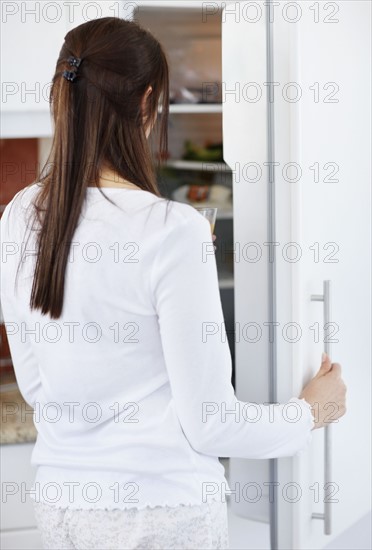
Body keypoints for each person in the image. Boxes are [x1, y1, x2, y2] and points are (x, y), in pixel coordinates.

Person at [0, 16, 346, 550]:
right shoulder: (171, 230)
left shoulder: (20, 214)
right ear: (146, 105)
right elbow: (213, 426)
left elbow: (39, 388)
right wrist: (311, 412)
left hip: (62, 505)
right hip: (158, 515)